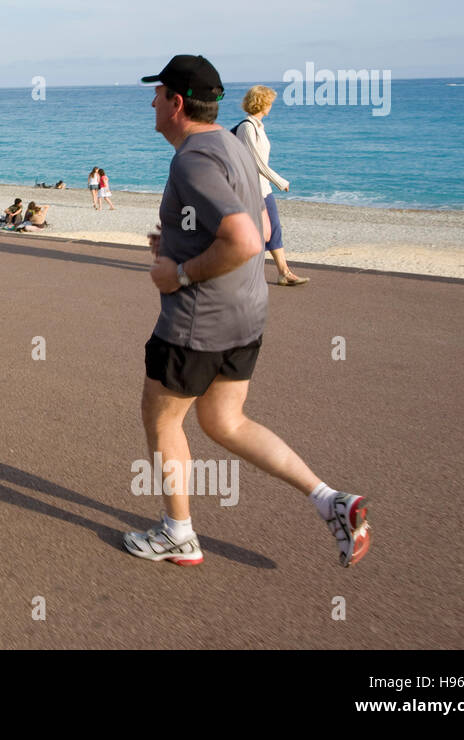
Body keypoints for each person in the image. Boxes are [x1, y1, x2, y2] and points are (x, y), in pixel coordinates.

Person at [126, 54, 369, 568]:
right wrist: (176, 240)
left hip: (197, 322)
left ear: (175, 102)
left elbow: (241, 236)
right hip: (246, 314)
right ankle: (331, 500)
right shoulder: (233, 145)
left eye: (156, 94)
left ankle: (178, 534)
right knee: (225, 422)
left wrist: (181, 273)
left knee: (163, 419)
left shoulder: (192, 158)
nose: (150, 102)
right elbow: (255, 220)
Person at [235, 85, 307, 286]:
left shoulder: (258, 126)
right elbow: (256, 162)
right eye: (270, 102)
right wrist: (280, 181)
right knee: (253, 232)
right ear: (261, 102)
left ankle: (284, 272)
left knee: (273, 229)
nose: (271, 106)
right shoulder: (247, 127)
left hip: (263, 188)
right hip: (251, 190)